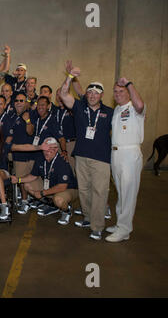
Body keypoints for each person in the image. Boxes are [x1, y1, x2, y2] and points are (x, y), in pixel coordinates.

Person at [60, 64, 114, 240]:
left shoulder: (110, 112)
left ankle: (97, 226)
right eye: (90, 93)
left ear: (101, 95)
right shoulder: (79, 108)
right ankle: (89, 218)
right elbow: (63, 94)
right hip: (81, 156)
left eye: (96, 93)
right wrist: (69, 76)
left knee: (100, 192)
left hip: (101, 159)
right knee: (84, 190)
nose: (92, 96)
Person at [106, 78, 145, 242]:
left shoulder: (135, 108)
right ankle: (121, 224)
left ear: (129, 93)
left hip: (130, 153)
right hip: (116, 153)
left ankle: (124, 229)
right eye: (115, 91)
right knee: (121, 192)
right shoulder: (116, 110)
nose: (117, 94)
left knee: (128, 192)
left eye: (121, 91)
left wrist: (129, 83)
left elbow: (140, 105)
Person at [18, 137, 78, 223]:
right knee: (26, 184)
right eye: (45, 149)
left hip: (68, 189)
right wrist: (18, 180)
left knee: (59, 200)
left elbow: (62, 186)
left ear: (57, 149)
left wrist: (42, 193)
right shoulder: (40, 158)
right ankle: (51, 204)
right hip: (51, 186)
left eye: (51, 149)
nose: (47, 152)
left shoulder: (62, 161)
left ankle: (66, 211)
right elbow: (32, 176)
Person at [5, 92, 35, 212]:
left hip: (31, 153)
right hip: (18, 154)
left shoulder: (31, 114)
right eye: (17, 101)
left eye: (21, 101)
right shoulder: (11, 116)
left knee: (32, 179)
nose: (19, 103)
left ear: (26, 102)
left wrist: (27, 121)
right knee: (21, 179)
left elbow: (30, 132)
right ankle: (24, 201)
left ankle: (32, 200)